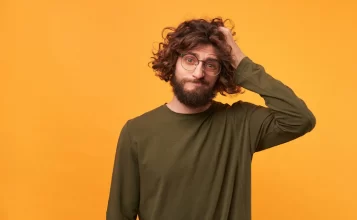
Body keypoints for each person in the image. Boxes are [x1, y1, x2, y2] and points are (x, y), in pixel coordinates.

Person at [106, 17, 316, 220]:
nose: (198, 73)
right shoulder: (137, 131)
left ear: (221, 74)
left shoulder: (240, 123)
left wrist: (240, 59)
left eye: (210, 65)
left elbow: (300, 118)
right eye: (190, 60)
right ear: (173, 62)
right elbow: (119, 214)